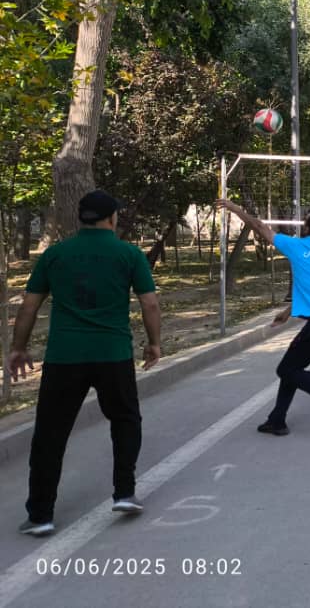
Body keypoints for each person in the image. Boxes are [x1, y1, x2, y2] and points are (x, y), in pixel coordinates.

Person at [9, 190, 162, 536]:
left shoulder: (55, 254)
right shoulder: (129, 254)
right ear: (112, 217)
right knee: (125, 419)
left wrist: (18, 348)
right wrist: (153, 343)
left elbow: (29, 306)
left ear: (81, 218)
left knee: (50, 433)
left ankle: (40, 514)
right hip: (113, 354)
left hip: (64, 357)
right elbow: (150, 304)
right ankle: (124, 493)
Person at [216, 199, 310, 436]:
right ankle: (277, 420)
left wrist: (235, 209)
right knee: (293, 367)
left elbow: (260, 226)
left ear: (306, 228)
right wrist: (287, 312)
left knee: (287, 369)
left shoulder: (296, 245)